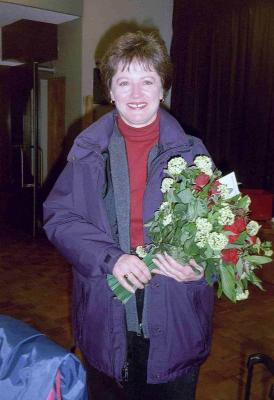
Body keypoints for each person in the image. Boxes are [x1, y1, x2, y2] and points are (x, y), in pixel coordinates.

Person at [43, 31, 215, 400]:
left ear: (162, 88)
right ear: (111, 91)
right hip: (107, 316)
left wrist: (202, 270)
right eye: (124, 82)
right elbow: (59, 218)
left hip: (176, 321)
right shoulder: (88, 151)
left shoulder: (192, 154)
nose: (136, 95)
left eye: (147, 81)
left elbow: (222, 234)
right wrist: (110, 257)